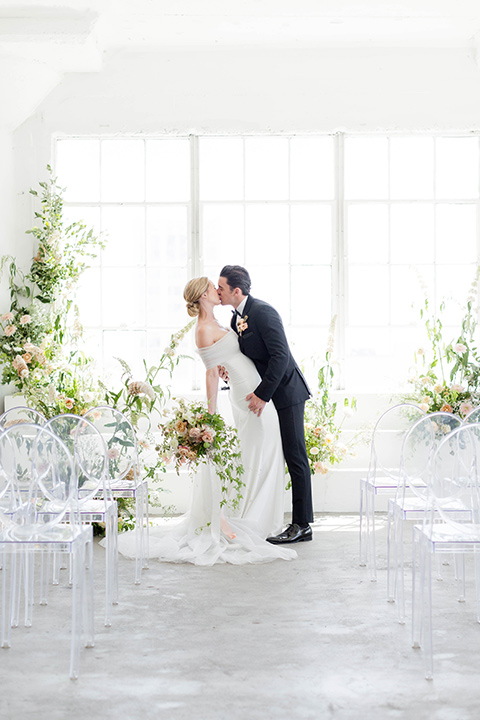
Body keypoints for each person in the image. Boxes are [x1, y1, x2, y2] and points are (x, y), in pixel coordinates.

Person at [114, 276, 296, 565]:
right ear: (202, 295)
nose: (217, 290)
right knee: (263, 448)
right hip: (245, 394)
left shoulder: (224, 321)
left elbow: (228, 359)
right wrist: (211, 414)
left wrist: (228, 368)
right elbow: (211, 373)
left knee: (265, 449)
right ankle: (253, 518)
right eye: (212, 287)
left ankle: (258, 517)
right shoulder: (202, 329)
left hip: (252, 386)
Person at [217, 265, 314, 544]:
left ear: (237, 290)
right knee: (281, 456)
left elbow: (280, 357)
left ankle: (302, 525)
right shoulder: (238, 318)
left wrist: (262, 394)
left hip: (287, 393)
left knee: (296, 457)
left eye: (221, 288)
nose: (218, 292)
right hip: (270, 395)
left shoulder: (263, 312)